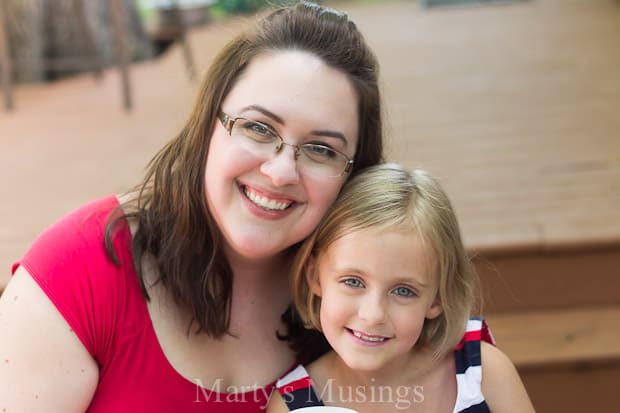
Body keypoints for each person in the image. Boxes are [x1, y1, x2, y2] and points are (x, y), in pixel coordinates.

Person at [0, 2, 383, 411]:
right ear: (207, 126)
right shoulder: (82, 267)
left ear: (354, 173)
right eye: (257, 127)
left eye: (322, 150)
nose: (280, 171)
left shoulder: (374, 307)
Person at [267, 163, 535, 412]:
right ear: (315, 277)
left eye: (403, 291)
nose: (373, 315)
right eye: (353, 281)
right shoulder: (295, 404)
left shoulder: (482, 372)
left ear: (437, 299)